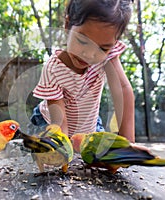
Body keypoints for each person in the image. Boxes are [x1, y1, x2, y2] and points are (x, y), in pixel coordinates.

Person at [31, 0, 143, 147]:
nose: (89, 55)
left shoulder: (108, 57)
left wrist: (127, 144)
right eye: (83, 41)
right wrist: (63, 149)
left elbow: (122, 90)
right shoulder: (53, 69)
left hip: (89, 125)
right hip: (49, 121)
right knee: (51, 155)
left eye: (102, 49)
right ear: (67, 25)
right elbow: (60, 122)